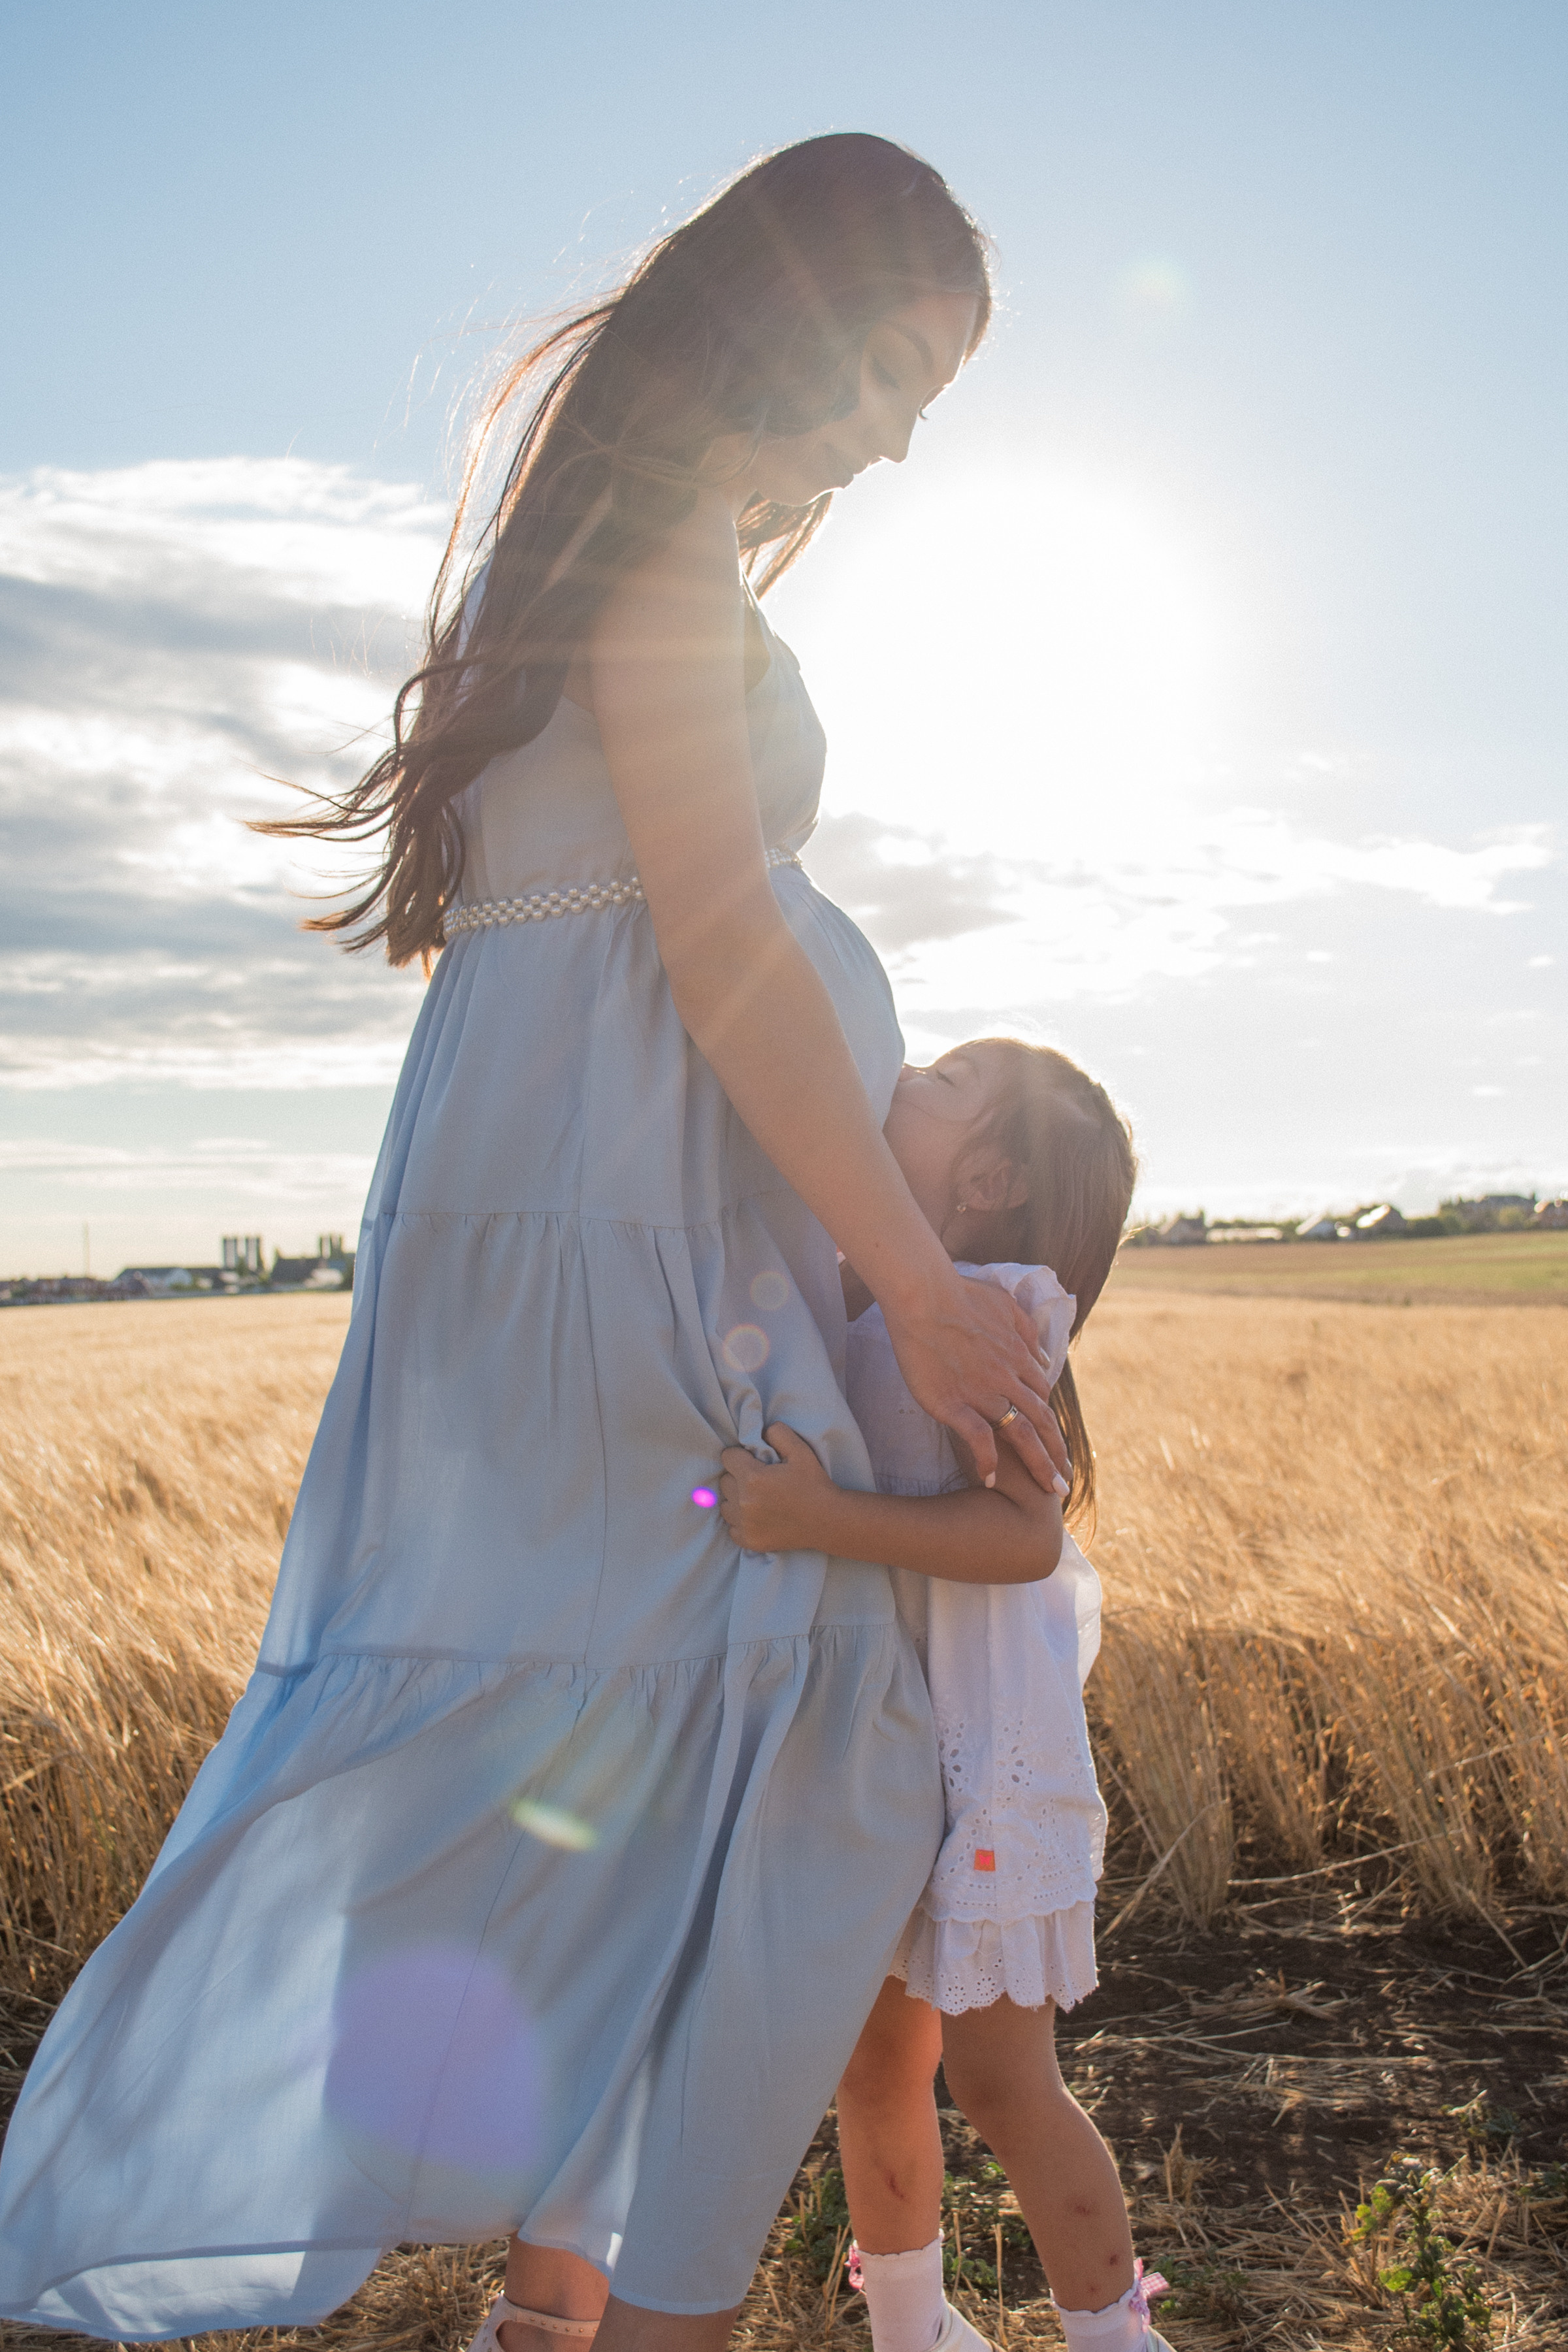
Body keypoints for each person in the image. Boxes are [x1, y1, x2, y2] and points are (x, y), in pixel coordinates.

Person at [0, 137, 1071, 2351]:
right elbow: (716, 958)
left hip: (612, 1219)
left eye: (929, 406)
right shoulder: (665, 561)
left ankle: (568, 2290)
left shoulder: (624, 549)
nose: (890, 439)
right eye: (887, 370)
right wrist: (931, 1286)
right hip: (611, 1241)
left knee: (677, 1743)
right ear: (778, 305)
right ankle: (628, 2292)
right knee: (793, 1736)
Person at [717, 1038, 1173, 2352]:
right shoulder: (876, 1288)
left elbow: (1025, 1535)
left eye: (943, 1081)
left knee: (1001, 2078)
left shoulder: (984, 1311)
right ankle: (912, 2330)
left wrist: (818, 1518)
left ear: (986, 1175)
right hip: (878, 1754)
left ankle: (1114, 2335)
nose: (901, 1071)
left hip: (978, 1752)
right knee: (874, 2067)